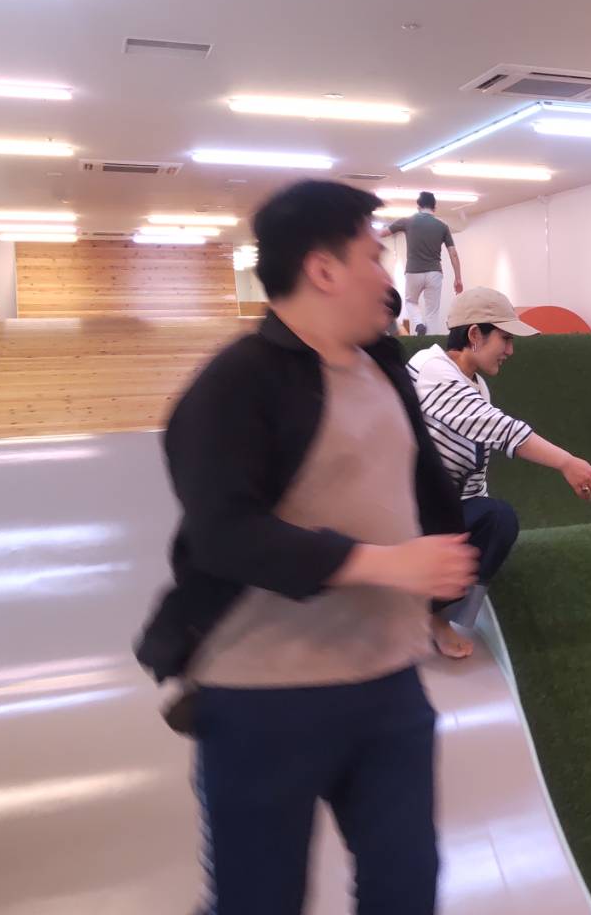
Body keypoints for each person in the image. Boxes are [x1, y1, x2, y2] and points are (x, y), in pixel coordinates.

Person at [133, 180, 486, 913]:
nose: (388, 277)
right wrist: (386, 564)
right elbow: (225, 535)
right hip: (263, 698)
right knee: (259, 900)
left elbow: (417, 486)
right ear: (323, 269)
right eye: (373, 257)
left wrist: (440, 562)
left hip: (388, 686)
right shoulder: (235, 384)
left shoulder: (383, 365)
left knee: (405, 887)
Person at [408, 286, 591, 659]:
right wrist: (566, 462)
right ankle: (421, 610)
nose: (510, 350)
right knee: (490, 517)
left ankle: (436, 612)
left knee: (497, 519)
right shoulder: (431, 369)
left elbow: (475, 474)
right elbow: (502, 429)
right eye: (505, 338)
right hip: (404, 514)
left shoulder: (477, 387)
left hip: (437, 511)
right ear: (474, 334)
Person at [386, 191, 463, 336]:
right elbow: (453, 253)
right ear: (434, 207)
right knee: (432, 312)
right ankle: (431, 342)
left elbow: (382, 233)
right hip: (435, 272)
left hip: (413, 271)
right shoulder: (442, 226)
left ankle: (418, 323)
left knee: (410, 301)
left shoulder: (407, 221)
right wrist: (458, 278)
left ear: (418, 206)